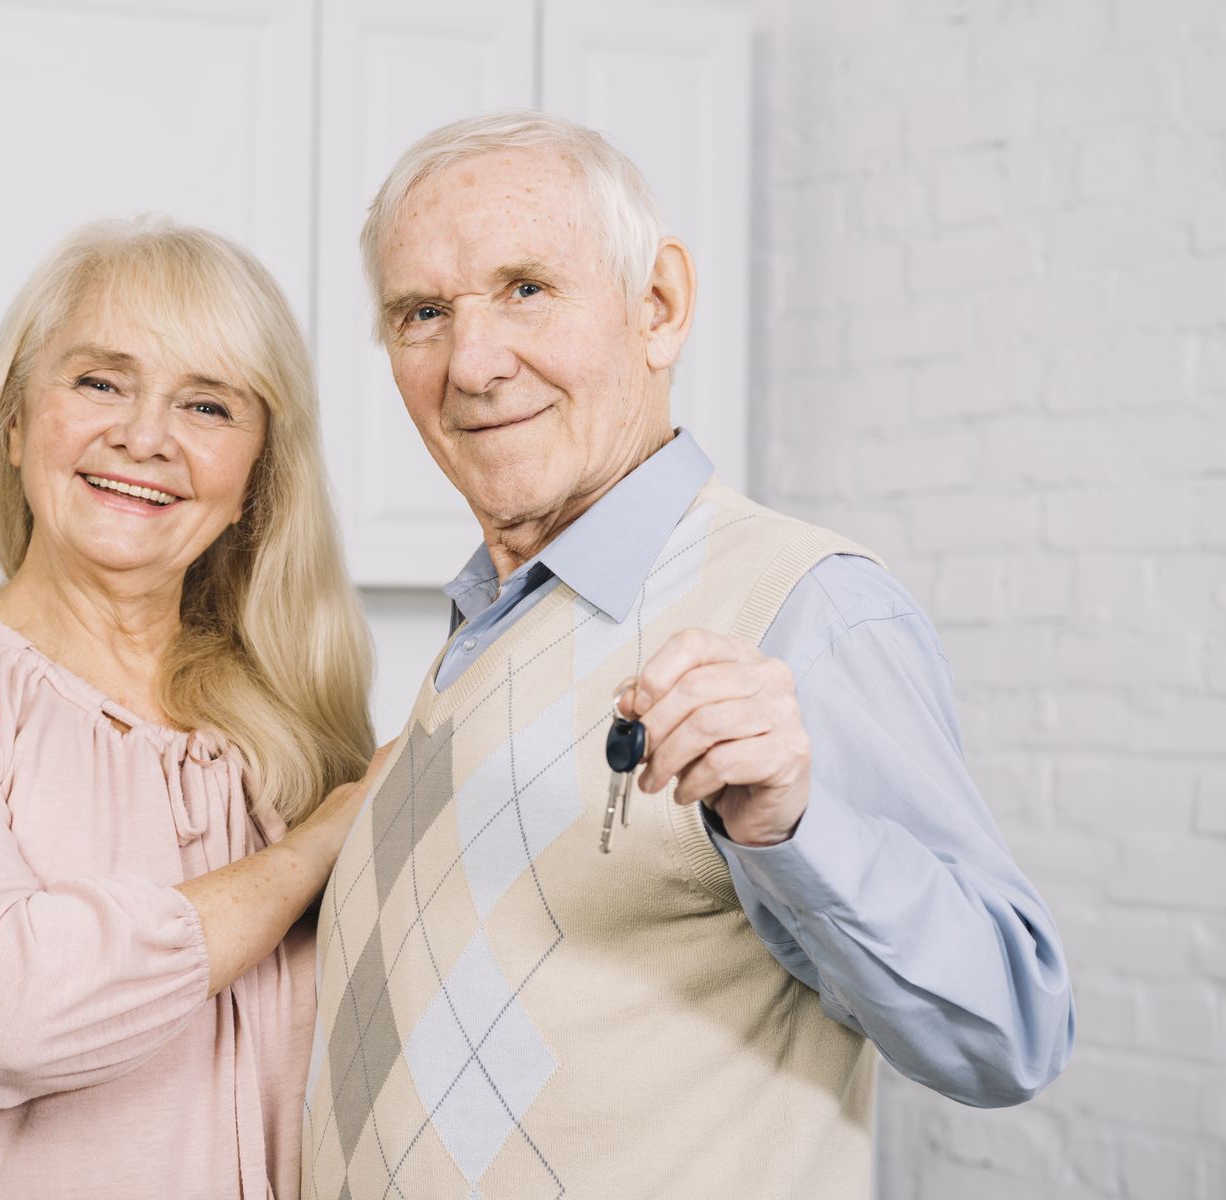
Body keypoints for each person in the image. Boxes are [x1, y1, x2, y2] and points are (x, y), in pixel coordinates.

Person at [302, 111, 1074, 1199]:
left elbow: (1009, 1032)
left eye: (527, 287)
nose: (471, 362)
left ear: (657, 307)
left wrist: (796, 828)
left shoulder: (805, 606)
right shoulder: (490, 619)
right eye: (421, 313)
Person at [0, 218, 385, 1199]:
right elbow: (3, 1017)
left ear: (254, 480)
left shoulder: (292, 725)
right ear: (15, 421)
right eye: (100, 382)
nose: (145, 436)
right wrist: (312, 852)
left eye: (207, 405)